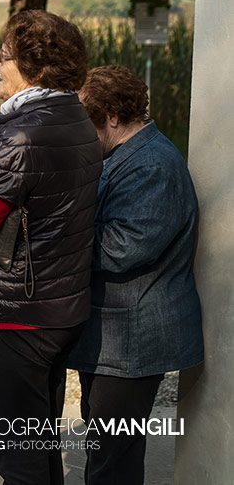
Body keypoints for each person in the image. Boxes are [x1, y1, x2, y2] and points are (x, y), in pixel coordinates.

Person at [0, 10, 101, 485]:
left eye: (4, 56)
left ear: (34, 65)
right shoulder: (74, 117)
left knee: (18, 454)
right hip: (60, 302)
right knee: (40, 440)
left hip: (20, 309)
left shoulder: (22, 130)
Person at [67, 66, 203, 485]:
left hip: (132, 340)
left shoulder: (151, 164)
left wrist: (56, 244)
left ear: (110, 115)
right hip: (114, 337)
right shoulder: (127, 155)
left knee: (113, 460)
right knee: (107, 449)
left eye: (87, 122)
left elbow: (123, 247)